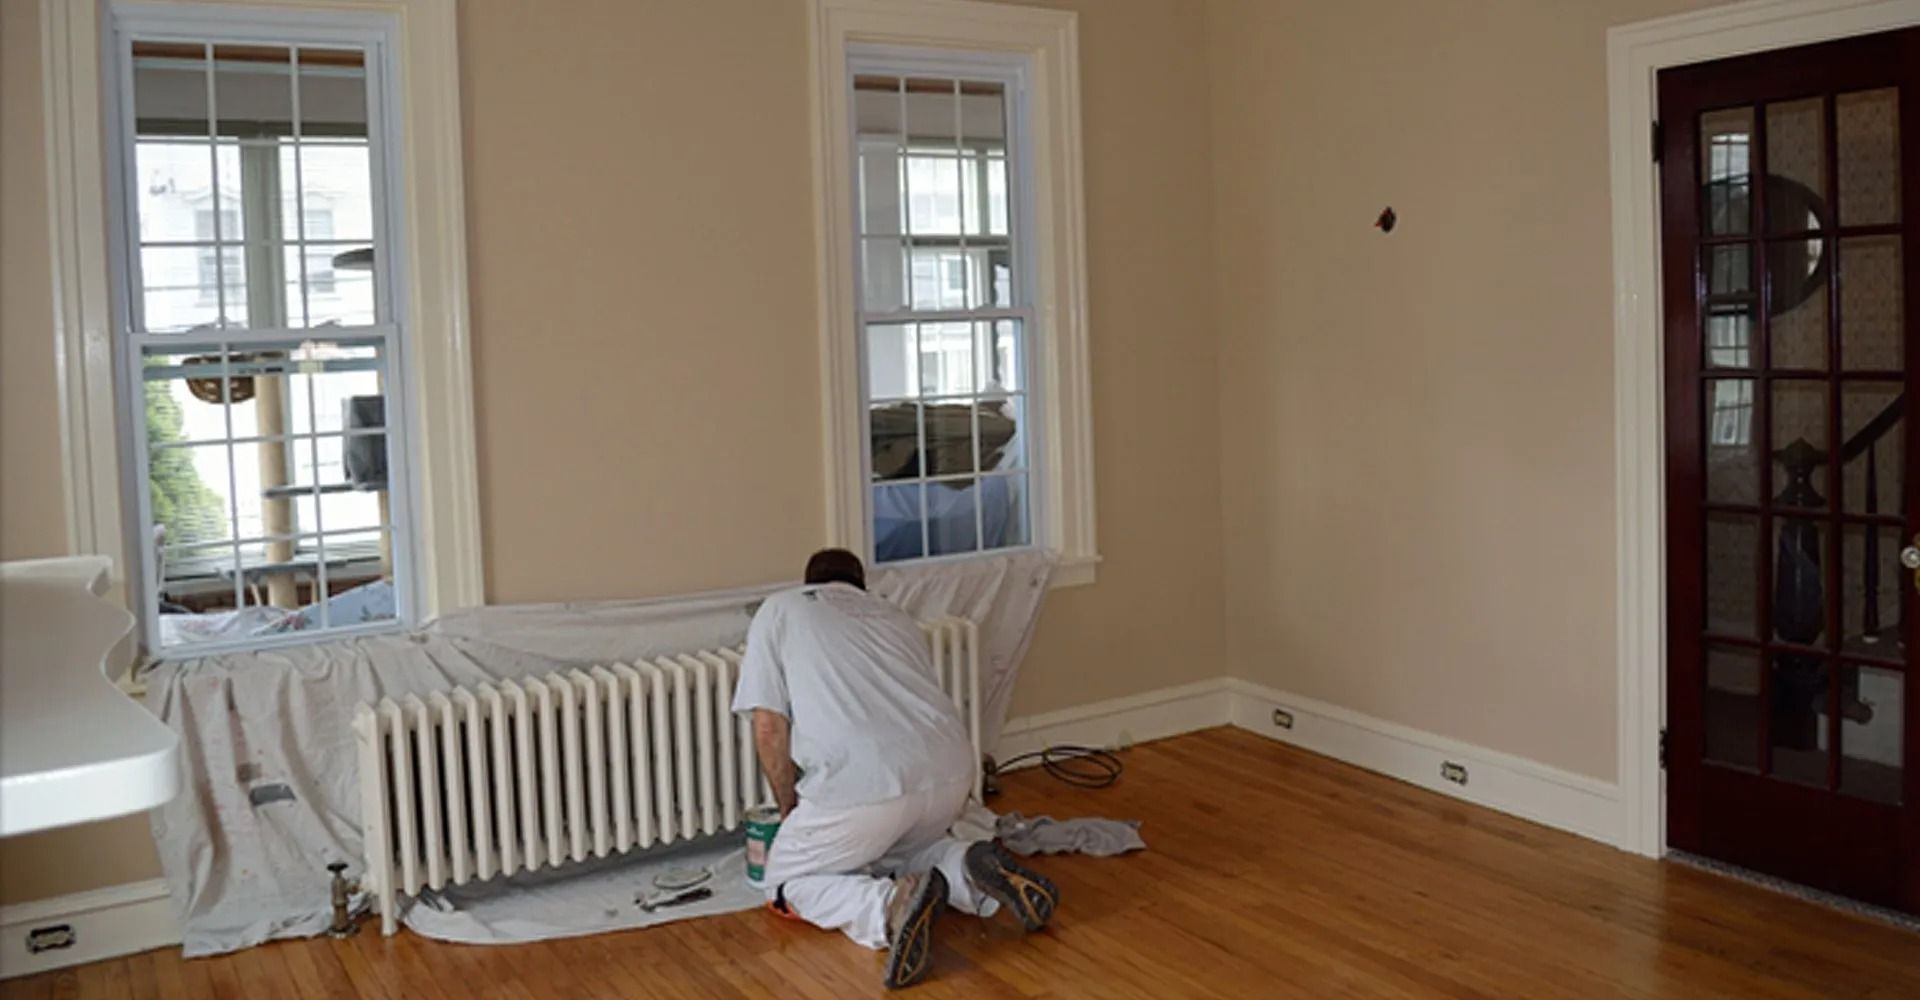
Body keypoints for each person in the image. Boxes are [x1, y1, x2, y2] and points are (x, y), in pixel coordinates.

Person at [732, 548, 1060, 989]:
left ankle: (888, 906)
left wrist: (790, 806)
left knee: (789, 881)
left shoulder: (782, 608)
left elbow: (769, 729)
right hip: (949, 775)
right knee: (894, 851)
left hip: (864, 784)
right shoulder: (894, 616)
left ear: (809, 581)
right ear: (860, 587)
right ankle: (967, 868)